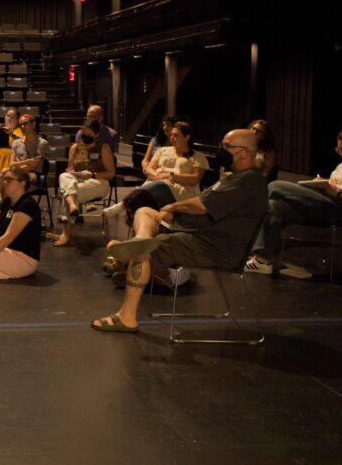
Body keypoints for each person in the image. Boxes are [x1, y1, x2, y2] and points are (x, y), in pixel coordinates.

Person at [91, 129, 267, 333]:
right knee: (145, 210)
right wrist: (174, 214)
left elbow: (203, 205)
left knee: (143, 251)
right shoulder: (236, 177)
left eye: (227, 147)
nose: (222, 150)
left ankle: (127, 317)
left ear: (244, 152)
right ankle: (140, 239)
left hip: (213, 248)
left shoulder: (247, 180)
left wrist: (173, 208)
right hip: (198, 235)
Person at [246, 125, 342, 278]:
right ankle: (261, 259)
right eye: (339, 150)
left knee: (275, 186)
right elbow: (331, 188)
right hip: (328, 206)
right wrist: (321, 185)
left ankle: (246, 237)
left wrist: (338, 192)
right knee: (274, 206)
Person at [104, 121, 208, 218]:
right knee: (145, 200)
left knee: (157, 186)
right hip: (155, 185)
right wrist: (157, 176)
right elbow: (149, 167)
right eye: (171, 134)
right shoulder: (162, 150)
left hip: (180, 192)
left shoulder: (198, 156)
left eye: (176, 135)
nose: (172, 137)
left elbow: (195, 179)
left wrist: (170, 175)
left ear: (187, 137)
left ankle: (123, 204)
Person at [54, 119, 116, 247]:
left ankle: (66, 233)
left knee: (69, 192)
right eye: (83, 134)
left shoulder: (103, 148)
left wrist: (93, 174)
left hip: (98, 181)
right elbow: (70, 169)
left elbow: (111, 173)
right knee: (64, 176)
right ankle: (73, 205)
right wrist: (72, 172)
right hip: (78, 181)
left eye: (88, 134)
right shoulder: (74, 148)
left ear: (96, 134)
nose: (84, 137)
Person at [9, 114, 48, 189]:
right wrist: (29, 160)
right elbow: (11, 164)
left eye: (25, 124)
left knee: (20, 181)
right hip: (16, 172)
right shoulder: (16, 143)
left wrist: (16, 168)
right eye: (20, 125)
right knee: (3, 175)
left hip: (33, 174)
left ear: (33, 124)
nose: (22, 127)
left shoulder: (42, 143)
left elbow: (33, 166)